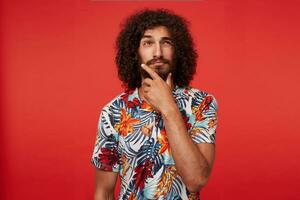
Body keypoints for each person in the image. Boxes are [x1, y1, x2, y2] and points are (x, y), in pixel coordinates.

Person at [91, 8, 218, 200]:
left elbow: (196, 179)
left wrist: (168, 106)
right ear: (135, 52)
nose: (157, 52)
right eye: (148, 43)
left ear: (178, 50)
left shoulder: (202, 103)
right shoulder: (114, 111)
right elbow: (104, 191)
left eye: (166, 42)